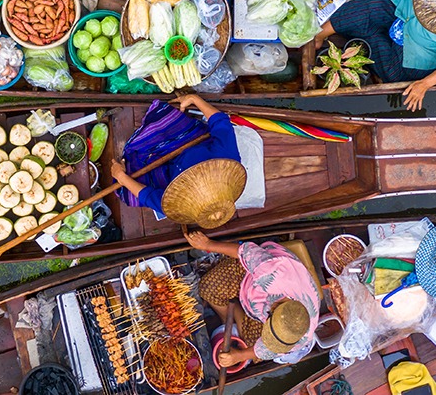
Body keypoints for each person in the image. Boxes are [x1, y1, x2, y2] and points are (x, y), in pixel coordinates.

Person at [185, 228, 321, 367]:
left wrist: (238, 356)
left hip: (256, 305)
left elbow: (271, 350)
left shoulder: (299, 334)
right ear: (271, 309)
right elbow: (243, 252)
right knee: (209, 288)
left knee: (253, 348)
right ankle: (230, 318)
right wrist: (207, 244)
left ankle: (233, 318)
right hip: (251, 272)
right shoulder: (271, 275)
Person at [111, 94, 240, 217]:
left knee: (128, 193)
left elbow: (147, 196)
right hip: (190, 142)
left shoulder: (178, 206)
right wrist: (193, 98)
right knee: (164, 121)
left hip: (170, 175)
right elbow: (221, 122)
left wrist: (121, 177)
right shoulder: (227, 159)